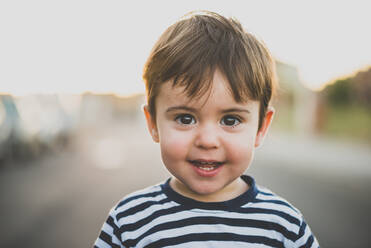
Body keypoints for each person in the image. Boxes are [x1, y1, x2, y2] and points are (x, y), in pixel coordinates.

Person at [93, 11, 320, 248]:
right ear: (153, 123)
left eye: (230, 120)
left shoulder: (284, 226)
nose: (208, 140)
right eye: (185, 118)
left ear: (261, 127)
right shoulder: (129, 221)